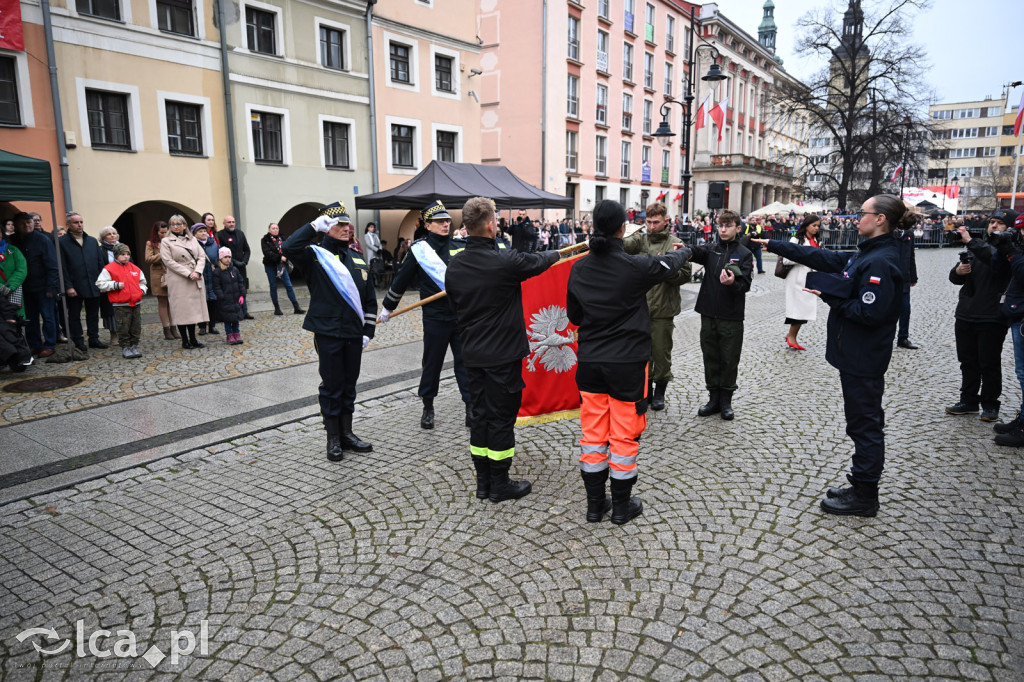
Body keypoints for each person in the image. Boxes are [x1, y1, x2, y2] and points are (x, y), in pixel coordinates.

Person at [753, 193, 911, 517]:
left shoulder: (881, 260)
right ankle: (860, 483)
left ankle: (865, 495)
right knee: (860, 422)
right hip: (854, 352)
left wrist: (829, 296)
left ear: (880, 219)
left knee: (865, 425)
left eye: (862, 213)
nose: (857, 218)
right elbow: (824, 258)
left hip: (864, 356)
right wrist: (776, 244)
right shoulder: (869, 252)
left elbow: (869, 313)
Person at [568, 200, 691, 525]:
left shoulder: (579, 269)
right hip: (628, 365)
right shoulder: (634, 267)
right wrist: (687, 251)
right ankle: (622, 507)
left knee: (593, 435)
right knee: (624, 435)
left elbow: (574, 316)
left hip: (591, 363)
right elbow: (669, 264)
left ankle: (595, 506)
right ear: (623, 229)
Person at [445, 197, 561, 503]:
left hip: (472, 355)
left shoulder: (455, 265)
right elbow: (539, 262)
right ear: (490, 225)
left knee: (479, 416)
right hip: (502, 357)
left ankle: (483, 483)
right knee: (501, 419)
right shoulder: (504, 261)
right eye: (495, 219)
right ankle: (499, 483)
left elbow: (454, 307)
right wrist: (559, 253)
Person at [283, 201, 377, 461]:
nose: (347, 228)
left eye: (348, 224)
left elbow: (369, 299)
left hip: (353, 334)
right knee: (332, 386)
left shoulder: (356, 257)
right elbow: (288, 248)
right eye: (340, 224)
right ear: (327, 227)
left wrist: (368, 330)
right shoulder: (314, 256)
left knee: (349, 385)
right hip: (328, 332)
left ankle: (347, 433)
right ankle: (333, 438)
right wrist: (313, 226)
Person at [379, 201, 472, 429]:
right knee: (432, 364)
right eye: (439, 221)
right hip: (435, 318)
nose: (445, 224)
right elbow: (401, 279)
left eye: (447, 220)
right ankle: (428, 407)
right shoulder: (420, 250)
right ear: (427, 225)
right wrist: (388, 306)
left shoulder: (460, 245)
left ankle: (471, 407)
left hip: (460, 316)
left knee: (466, 363)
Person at [946, 211, 1014, 423]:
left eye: (1000, 223)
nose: (994, 226)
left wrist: (970, 241)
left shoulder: (1008, 250)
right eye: (992, 222)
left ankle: (990, 404)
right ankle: (968, 400)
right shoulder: (978, 247)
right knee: (967, 361)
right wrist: (958, 272)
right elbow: (955, 278)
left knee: (989, 363)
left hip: (992, 315)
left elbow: (991, 257)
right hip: (966, 313)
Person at [623, 202, 691, 411]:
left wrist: (665, 270)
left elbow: (685, 274)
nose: (652, 227)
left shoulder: (675, 243)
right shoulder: (640, 240)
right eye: (649, 222)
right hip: (640, 308)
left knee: (661, 353)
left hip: (663, 308)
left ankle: (660, 390)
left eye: (656, 222)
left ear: (666, 221)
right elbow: (622, 246)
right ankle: (646, 391)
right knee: (642, 354)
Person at [688, 210, 754, 420]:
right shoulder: (711, 250)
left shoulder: (744, 253)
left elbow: (745, 285)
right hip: (708, 312)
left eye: (728, 226)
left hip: (731, 316)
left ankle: (726, 401)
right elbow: (696, 251)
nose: (723, 230)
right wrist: (683, 250)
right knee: (710, 357)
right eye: (721, 226)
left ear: (737, 228)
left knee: (729, 358)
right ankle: (713, 399)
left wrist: (732, 283)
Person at [9, 213, 59, 357]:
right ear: (16, 226)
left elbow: (52, 266)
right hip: (25, 287)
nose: (27, 225)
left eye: (29, 222)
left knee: (48, 317)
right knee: (30, 318)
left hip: (43, 286)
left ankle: (49, 344)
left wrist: (51, 287)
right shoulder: (13, 240)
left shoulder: (43, 240)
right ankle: (34, 344)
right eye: (22, 223)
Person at [60, 212, 108, 352]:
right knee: (74, 315)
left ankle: (94, 338)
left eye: (81, 222)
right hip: (75, 285)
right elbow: (62, 266)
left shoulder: (92, 241)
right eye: (76, 222)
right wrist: (68, 286)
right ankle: (78, 340)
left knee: (93, 314)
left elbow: (100, 263)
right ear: (68, 224)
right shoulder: (62, 242)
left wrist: (102, 282)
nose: (79, 225)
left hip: (93, 283)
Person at [161, 214, 210, 349]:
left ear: (184, 225)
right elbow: (168, 261)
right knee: (182, 311)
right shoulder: (166, 241)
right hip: (179, 279)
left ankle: (193, 339)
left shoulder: (192, 239)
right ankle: (184, 340)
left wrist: (198, 271)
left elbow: (201, 257)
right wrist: (188, 273)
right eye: (172, 224)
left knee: (193, 310)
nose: (175, 227)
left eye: (178, 224)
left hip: (195, 276)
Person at [95, 243, 147, 359]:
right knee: (123, 326)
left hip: (136, 303)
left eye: (127, 254)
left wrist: (141, 291)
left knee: (136, 326)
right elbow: (100, 283)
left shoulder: (135, 268)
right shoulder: (109, 269)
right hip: (121, 304)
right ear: (116, 255)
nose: (126, 256)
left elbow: (142, 282)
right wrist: (115, 285)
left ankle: (134, 346)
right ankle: (125, 347)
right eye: (122, 254)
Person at [783, 214, 822, 350]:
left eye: (818, 226)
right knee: (798, 310)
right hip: (797, 279)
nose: (816, 228)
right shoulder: (796, 240)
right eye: (814, 225)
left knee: (804, 310)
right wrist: (805, 256)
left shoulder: (817, 241)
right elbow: (786, 260)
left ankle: (791, 335)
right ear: (806, 225)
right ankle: (791, 337)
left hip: (810, 278)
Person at [261, 222, 303, 316]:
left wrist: (286, 257)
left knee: (288, 285)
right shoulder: (265, 240)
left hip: (281, 266)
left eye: (277, 228)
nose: (275, 230)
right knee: (273, 286)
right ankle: (277, 308)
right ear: (269, 230)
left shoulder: (282, 238)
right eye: (273, 228)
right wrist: (280, 257)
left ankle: (296, 307)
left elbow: (288, 249)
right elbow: (267, 252)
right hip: (270, 265)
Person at [216, 215, 253, 319]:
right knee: (231, 289)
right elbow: (221, 252)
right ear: (224, 223)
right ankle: (234, 313)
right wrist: (235, 262)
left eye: (233, 222)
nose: (231, 224)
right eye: (229, 222)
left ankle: (244, 311)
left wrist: (244, 262)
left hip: (241, 267)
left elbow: (247, 250)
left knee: (242, 288)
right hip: (228, 267)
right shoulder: (220, 235)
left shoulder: (240, 233)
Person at [145, 220, 177, 340]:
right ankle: (166, 329)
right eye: (161, 232)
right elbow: (148, 259)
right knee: (163, 302)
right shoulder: (150, 243)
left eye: (165, 232)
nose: (164, 235)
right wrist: (162, 254)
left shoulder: (172, 241)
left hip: (172, 273)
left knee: (172, 302)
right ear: (156, 232)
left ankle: (174, 327)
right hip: (159, 275)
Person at [212, 246, 247, 345]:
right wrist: (221, 296)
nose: (227, 259)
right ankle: (229, 335)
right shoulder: (218, 271)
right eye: (225, 257)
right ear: (220, 258)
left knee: (235, 318)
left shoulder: (234, 269)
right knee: (227, 319)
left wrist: (242, 295)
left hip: (235, 299)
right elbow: (216, 286)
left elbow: (240, 282)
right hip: (225, 300)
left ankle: (236, 333)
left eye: (229, 257)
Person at [895, 220, 919, 349]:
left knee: (905, 309)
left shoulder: (909, 234)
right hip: (891, 276)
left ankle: (903, 337)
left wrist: (913, 276)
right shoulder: (890, 232)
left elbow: (911, 255)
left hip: (904, 277)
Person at [193, 223, 221, 336]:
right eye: (200, 231)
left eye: (204, 231)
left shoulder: (213, 243)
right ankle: (202, 326)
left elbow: (218, 257)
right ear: (195, 234)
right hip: (200, 277)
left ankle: (212, 326)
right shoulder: (193, 245)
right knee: (201, 302)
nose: (203, 233)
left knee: (213, 302)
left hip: (212, 276)